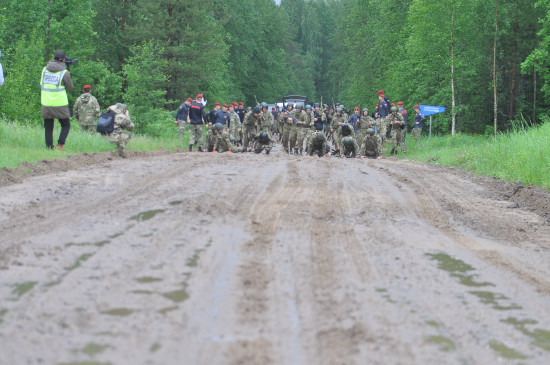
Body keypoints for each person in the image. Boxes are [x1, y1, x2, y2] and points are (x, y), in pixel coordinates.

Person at [41, 50, 74, 151]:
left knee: (48, 126)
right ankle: (60, 145)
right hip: (60, 103)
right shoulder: (64, 72)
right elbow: (70, 87)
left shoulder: (44, 70)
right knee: (66, 125)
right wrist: (68, 71)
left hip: (46, 102)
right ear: (63, 60)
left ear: (53, 57)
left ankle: (49, 148)